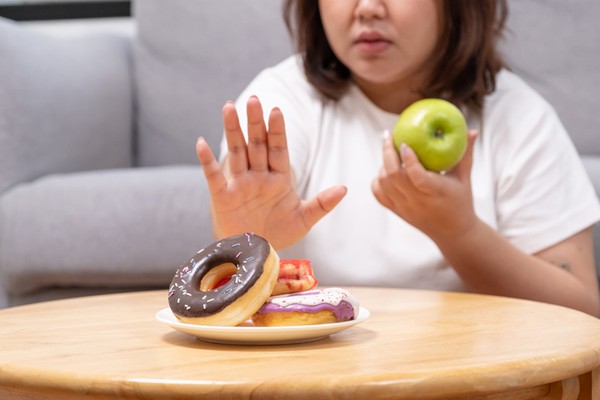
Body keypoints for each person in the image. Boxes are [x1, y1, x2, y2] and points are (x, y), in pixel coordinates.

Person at [195, 0, 600, 316]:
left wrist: (462, 235)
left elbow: (582, 313)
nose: (368, 8)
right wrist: (245, 238)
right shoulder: (283, 100)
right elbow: (238, 244)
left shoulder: (517, 116)